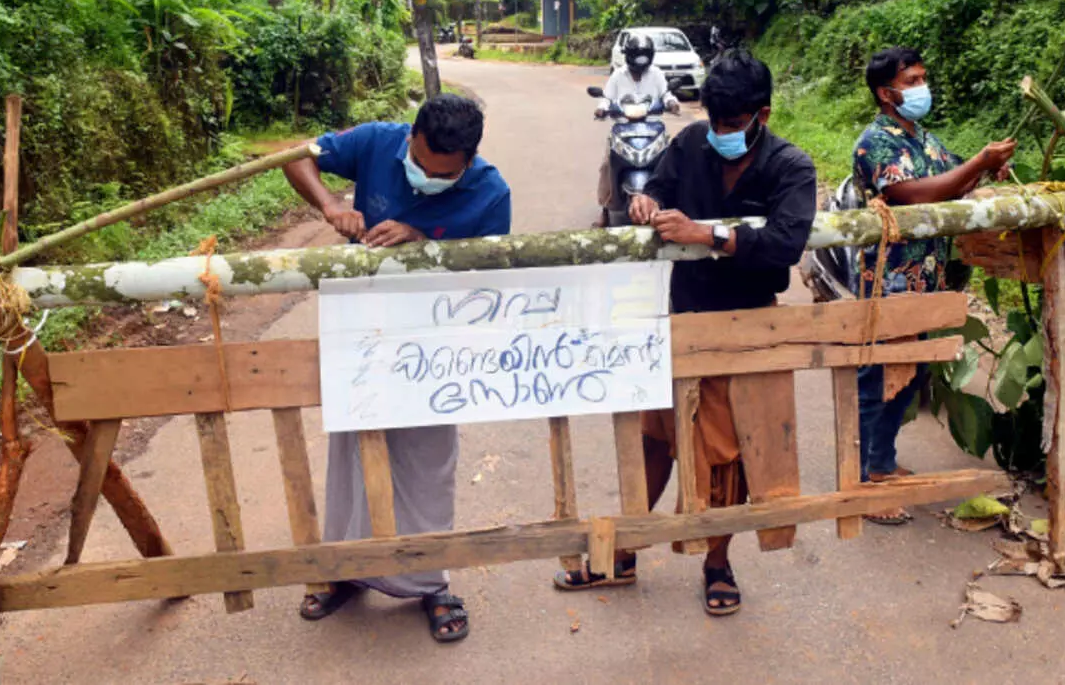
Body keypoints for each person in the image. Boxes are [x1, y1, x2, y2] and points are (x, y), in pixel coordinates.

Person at [555, 49, 817, 616]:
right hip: (678, 313)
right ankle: (623, 550)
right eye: (714, 120)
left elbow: (786, 244)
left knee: (724, 453)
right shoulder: (690, 144)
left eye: (733, 124)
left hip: (743, 322)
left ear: (762, 116)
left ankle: (717, 562)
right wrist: (645, 199)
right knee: (655, 437)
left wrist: (709, 235)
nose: (720, 133)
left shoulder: (791, 167)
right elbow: (661, 191)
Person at [284, 93, 510, 644]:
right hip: (361, 328)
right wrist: (329, 206)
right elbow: (295, 157)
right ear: (410, 138)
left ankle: (429, 581)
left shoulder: (491, 192)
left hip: (437, 342)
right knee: (354, 447)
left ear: (469, 163)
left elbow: (496, 274)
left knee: (429, 459)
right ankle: (345, 569)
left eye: (445, 176)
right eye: (424, 165)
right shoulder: (376, 142)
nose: (429, 180)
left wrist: (425, 240)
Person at [851, 47, 1014, 524]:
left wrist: (985, 168)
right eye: (913, 79)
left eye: (924, 77)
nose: (923, 86)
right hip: (891, 281)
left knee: (911, 377)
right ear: (887, 93)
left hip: (931, 280)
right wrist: (977, 163)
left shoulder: (923, 138)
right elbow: (914, 193)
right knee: (879, 377)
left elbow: (952, 180)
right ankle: (862, 479)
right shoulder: (874, 143)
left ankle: (881, 463)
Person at [596, 33, 679, 224]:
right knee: (606, 166)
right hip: (623, 127)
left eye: (644, 55)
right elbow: (607, 97)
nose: (641, 60)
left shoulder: (657, 74)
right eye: (637, 55)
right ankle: (605, 208)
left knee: (672, 159)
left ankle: (673, 200)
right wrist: (602, 108)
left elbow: (666, 94)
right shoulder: (618, 75)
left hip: (652, 126)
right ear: (628, 55)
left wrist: (672, 103)